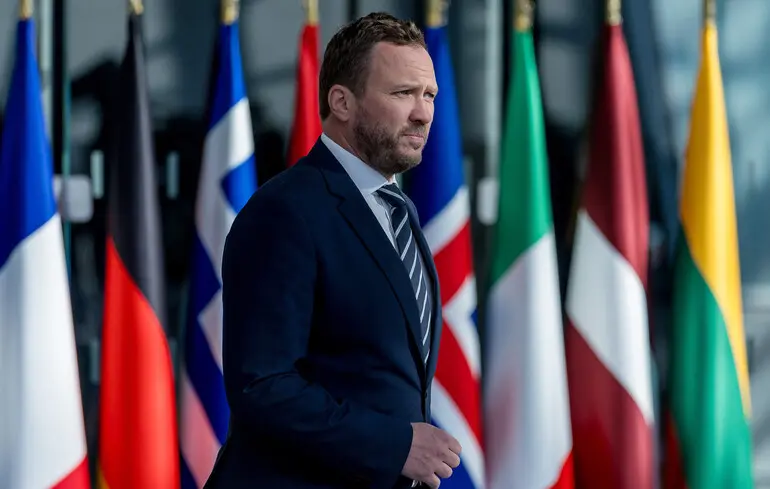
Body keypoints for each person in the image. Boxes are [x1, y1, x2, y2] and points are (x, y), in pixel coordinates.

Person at [203, 11, 462, 489]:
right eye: (402, 93)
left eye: (429, 95)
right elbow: (262, 385)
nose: (423, 113)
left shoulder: (398, 209)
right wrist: (394, 446)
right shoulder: (285, 211)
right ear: (341, 101)